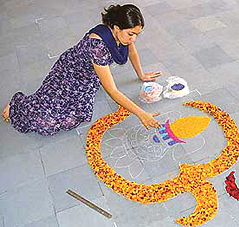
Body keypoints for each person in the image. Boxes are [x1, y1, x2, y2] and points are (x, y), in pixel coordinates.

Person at [1, 4, 162, 136]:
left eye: (136, 35)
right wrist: (142, 114)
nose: (133, 39)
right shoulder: (97, 46)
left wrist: (141, 75)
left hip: (88, 78)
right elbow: (112, 91)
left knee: (71, 120)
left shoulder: (123, 35)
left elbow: (132, 51)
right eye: (131, 34)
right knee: (46, 123)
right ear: (116, 27)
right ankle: (17, 103)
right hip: (68, 74)